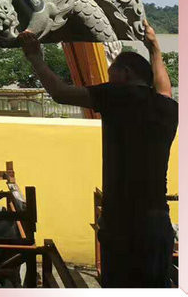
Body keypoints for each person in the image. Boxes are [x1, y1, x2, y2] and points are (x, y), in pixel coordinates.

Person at [18, 21, 177, 288]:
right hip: (157, 220)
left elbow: (60, 92)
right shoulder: (168, 108)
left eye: (112, 73)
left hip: (123, 222)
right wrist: (155, 48)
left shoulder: (117, 96)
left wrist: (34, 57)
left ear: (125, 74)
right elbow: (164, 89)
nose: (108, 78)